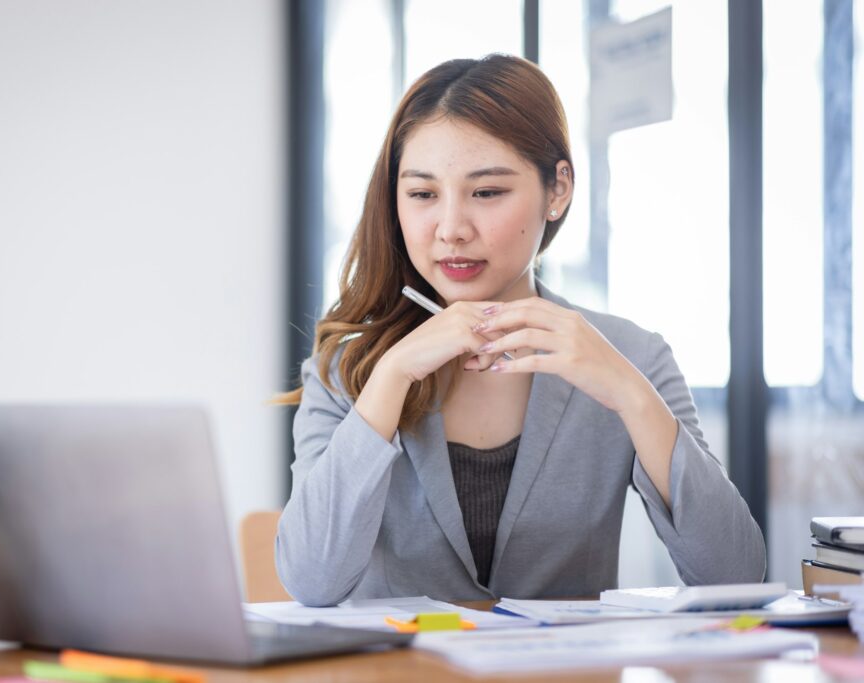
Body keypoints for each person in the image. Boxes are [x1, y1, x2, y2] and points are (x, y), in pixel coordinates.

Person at [274, 54, 765, 607]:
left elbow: (736, 579)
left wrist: (629, 394)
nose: (452, 229)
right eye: (422, 194)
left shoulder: (631, 357)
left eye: (486, 193)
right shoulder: (350, 370)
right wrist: (389, 380)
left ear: (558, 190)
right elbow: (311, 582)